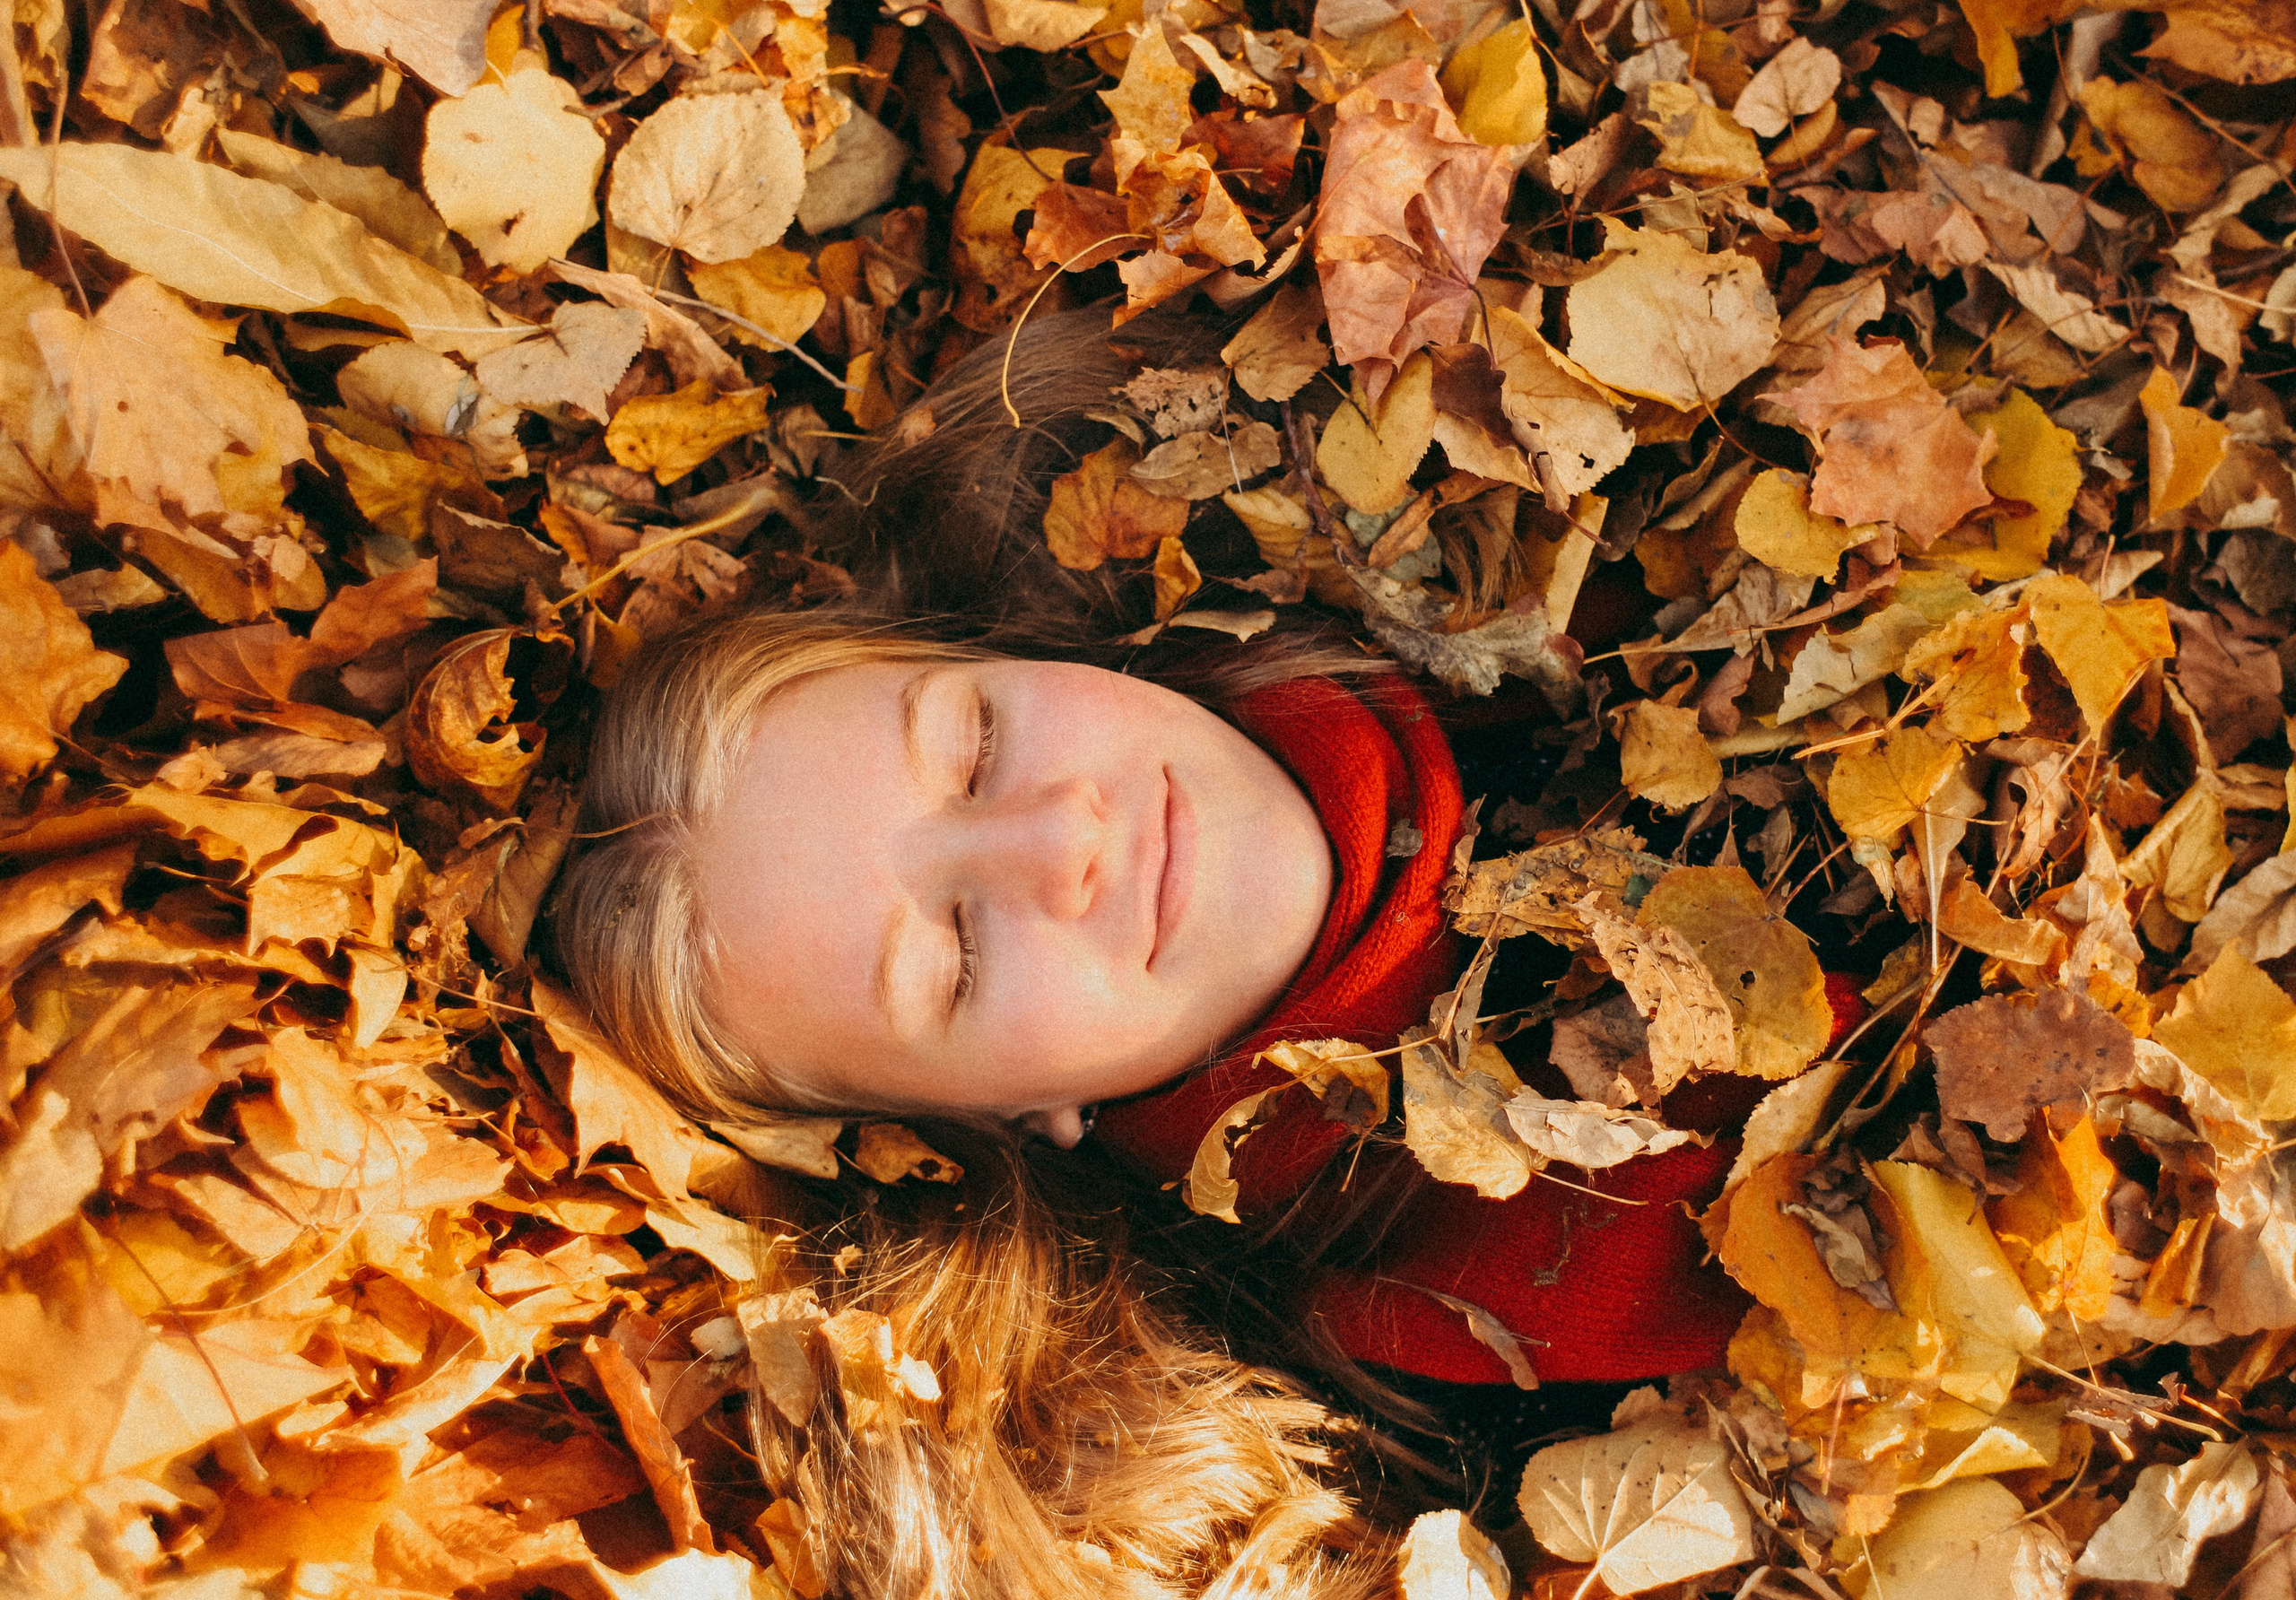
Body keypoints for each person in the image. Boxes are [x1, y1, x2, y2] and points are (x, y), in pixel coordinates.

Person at [551, 310, 1809, 1598]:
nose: (1062, 840)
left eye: (978, 745)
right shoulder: (1452, 1415)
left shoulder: (1523, 480)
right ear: (1004, 1124)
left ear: (1006, 653)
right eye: (960, 960)